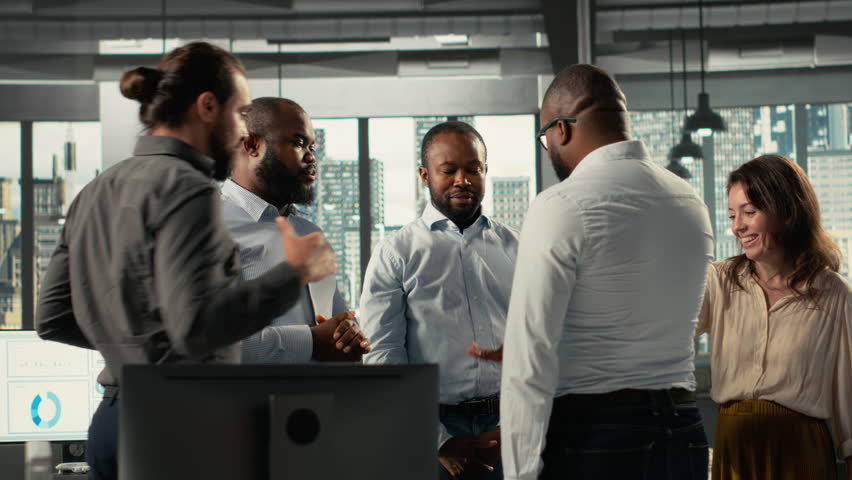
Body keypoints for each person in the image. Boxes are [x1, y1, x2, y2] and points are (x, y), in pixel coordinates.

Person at [35, 42, 336, 480]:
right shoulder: (188, 189)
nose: (239, 134)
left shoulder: (96, 190)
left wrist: (138, 348)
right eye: (239, 114)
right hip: (182, 425)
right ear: (207, 107)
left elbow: (53, 318)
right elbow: (196, 329)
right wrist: (294, 274)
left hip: (111, 423)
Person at [499, 64, 714, 480]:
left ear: (561, 129)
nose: (549, 150)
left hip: (598, 437)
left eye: (545, 138)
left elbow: (530, 358)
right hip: (685, 430)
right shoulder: (690, 202)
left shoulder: (560, 204)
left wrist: (520, 473)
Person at [359, 121, 519, 479]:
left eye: (473, 169)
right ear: (424, 174)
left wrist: (517, 424)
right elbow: (382, 355)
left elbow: (537, 339)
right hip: (431, 428)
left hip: (509, 426)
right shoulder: (396, 253)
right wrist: (439, 442)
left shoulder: (516, 248)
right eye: (448, 170)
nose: (462, 179)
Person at [697, 154, 852, 480]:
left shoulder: (835, 294)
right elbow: (668, 332)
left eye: (749, 212)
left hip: (802, 452)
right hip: (734, 448)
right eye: (732, 214)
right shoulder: (718, 280)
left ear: (788, 211)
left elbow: (847, 391)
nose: (737, 226)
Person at [222, 97, 370, 363]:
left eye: (312, 146)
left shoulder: (310, 232)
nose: (312, 157)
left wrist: (347, 335)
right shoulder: (211, 227)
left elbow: (335, 326)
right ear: (252, 145)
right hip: (244, 402)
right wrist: (312, 342)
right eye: (299, 143)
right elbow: (209, 342)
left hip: (322, 401)